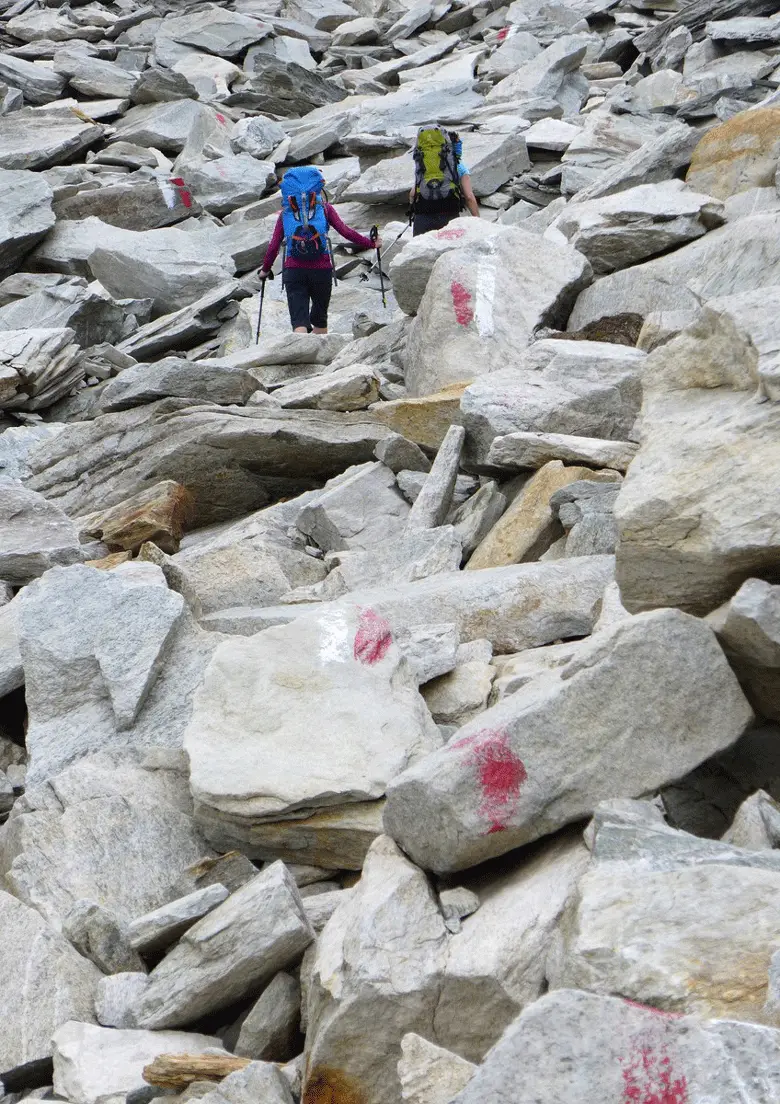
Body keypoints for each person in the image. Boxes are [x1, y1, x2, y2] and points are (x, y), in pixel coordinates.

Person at [259, 165, 380, 335]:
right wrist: (371, 244)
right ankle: (319, 359)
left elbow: (273, 246)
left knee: (299, 321)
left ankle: (300, 356)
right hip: (321, 271)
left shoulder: (285, 213)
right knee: (320, 319)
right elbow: (346, 232)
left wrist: (265, 270)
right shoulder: (324, 209)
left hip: (294, 270)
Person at [410, 127, 480, 237]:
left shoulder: (425, 165)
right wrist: (478, 222)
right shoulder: (459, 168)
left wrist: (414, 210)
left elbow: (412, 194)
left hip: (423, 216)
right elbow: (469, 197)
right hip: (449, 216)